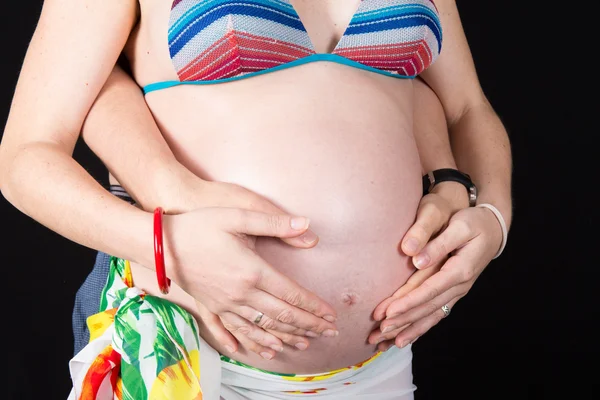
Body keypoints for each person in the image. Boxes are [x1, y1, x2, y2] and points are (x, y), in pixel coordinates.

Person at [0, 0, 512, 398]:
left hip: (378, 367)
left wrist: (492, 217)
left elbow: (467, 108)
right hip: (188, 346)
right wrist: (166, 242)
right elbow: (25, 158)